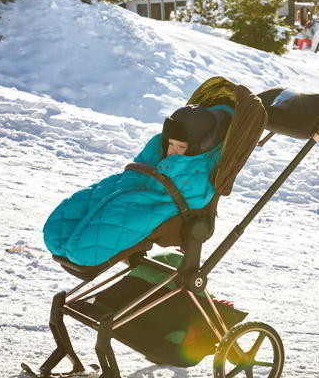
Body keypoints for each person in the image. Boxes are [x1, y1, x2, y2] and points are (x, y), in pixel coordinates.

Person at [43, 103, 233, 268]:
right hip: (136, 183)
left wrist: (173, 168)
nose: (173, 151)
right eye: (171, 144)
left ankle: (81, 248)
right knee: (71, 217)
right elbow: (141, 165)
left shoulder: (200, 166)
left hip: (165, 202)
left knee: (92, 240)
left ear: (198, 147)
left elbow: (196, 195)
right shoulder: (158, 148)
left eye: (181, 147)